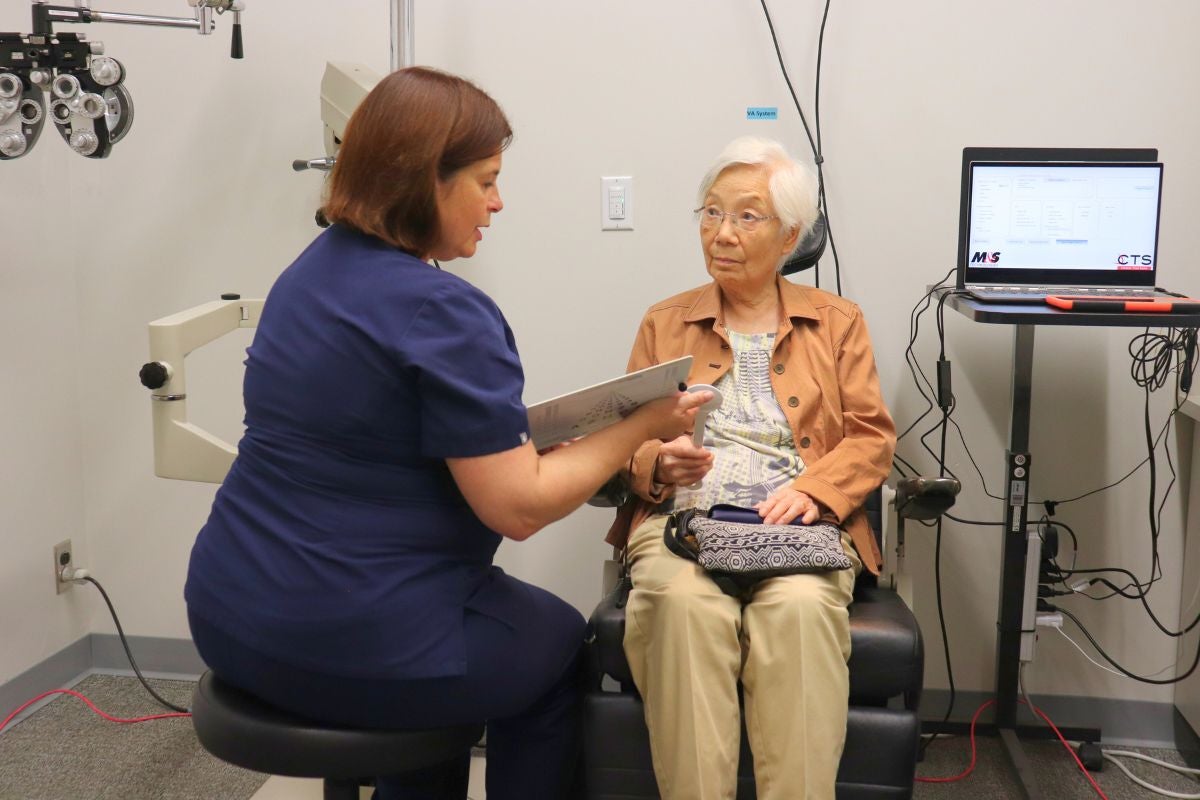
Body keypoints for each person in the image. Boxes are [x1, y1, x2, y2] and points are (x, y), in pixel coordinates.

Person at [183, 66, 707, 800]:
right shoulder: (445, 311)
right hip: (346, 639)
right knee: (556, 646)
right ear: (426, 179)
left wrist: (539, 440)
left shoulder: (307, 275)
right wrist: (642, 423)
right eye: (486, 180)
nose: (498, 201)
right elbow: (517, 509)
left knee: (460, 649)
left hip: (227, 613)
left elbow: (371, 432)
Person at [608, 136, 896, 799]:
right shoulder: (667, 320)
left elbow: (870, 437)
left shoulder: (838, 323)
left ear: (790, 234)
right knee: (680, 606)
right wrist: (659, 462)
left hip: (798, 526)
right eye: (710, 214)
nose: (722, 234)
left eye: (746, 216)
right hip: (685, 523)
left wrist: (815, 490)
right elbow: (623, 440)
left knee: (798, 612)